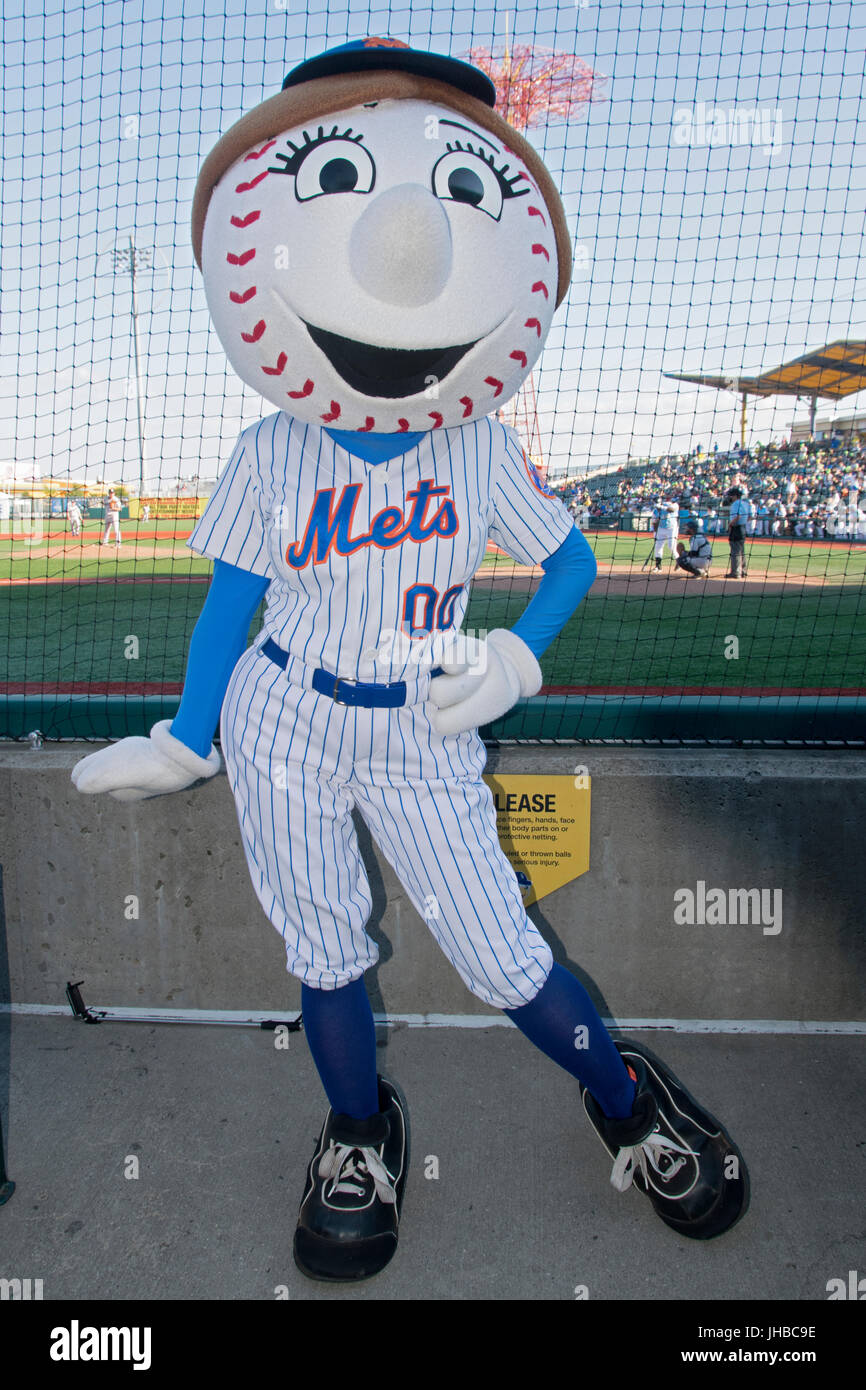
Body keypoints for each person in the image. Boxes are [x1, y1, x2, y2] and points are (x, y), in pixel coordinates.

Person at [70, 39, 748, 1283]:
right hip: (285, 717)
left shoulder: (476, 441)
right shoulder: (271, 448)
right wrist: (187, 732)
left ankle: (622, 1095)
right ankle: (355, 1131)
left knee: (504, 956)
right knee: (321, 950)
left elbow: (570, 565)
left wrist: (517, 663)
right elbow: (229, 606)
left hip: (428, 722)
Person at [724, 486, 750, 577]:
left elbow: (737, 516)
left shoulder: (735, 504)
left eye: (730, 495)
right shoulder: (746, 503)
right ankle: (743, 571)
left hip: (736, 528)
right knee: (741, 550)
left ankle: (735, 572)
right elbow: (749, 516)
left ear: (735, 496)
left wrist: (730, 525)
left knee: (735, 551)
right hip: (743, 528)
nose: (729, 497)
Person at [650, 497, 679, 571]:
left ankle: (679, 561)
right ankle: (658, 566)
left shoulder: (671, 505)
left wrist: (662, 507)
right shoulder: (655, 511)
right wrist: (655, 533)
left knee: (671, 546)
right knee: (658, 546)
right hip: (661, 528)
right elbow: (654, 522)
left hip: (672, 528)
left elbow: (671, 510)